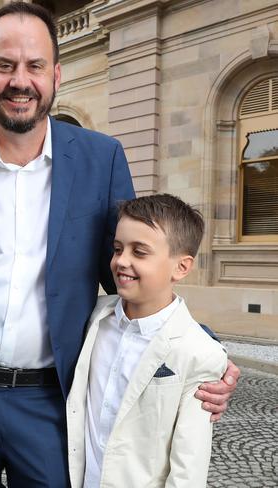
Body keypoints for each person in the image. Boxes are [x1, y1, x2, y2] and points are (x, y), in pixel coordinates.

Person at [0, 2, 239, 486]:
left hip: (52, 401)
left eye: (35, 66)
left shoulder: (101, 159)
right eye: (4, 65)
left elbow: (136, 267)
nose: (19, 81)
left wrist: (205, 349)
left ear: (57, 74)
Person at [66, 194, 227, 487]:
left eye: (139, 252)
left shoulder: (199, 352)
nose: (121, 261)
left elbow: (188, 467)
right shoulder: (95, 316)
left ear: (181, 267)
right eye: (117, 249)